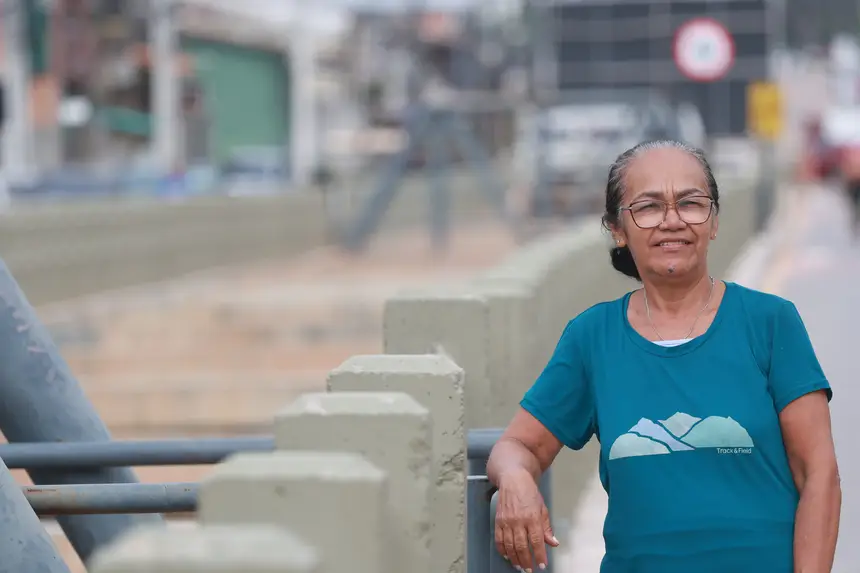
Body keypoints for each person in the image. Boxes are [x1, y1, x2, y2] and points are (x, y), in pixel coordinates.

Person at [486, 140, 841, 573]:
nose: (672, 221)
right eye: (649, 207)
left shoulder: (770, 323)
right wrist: (517, 479)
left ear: (713, 222)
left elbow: (819, 475)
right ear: (618, 229)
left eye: (691, 203)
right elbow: (516, 446)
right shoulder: (592, 337)